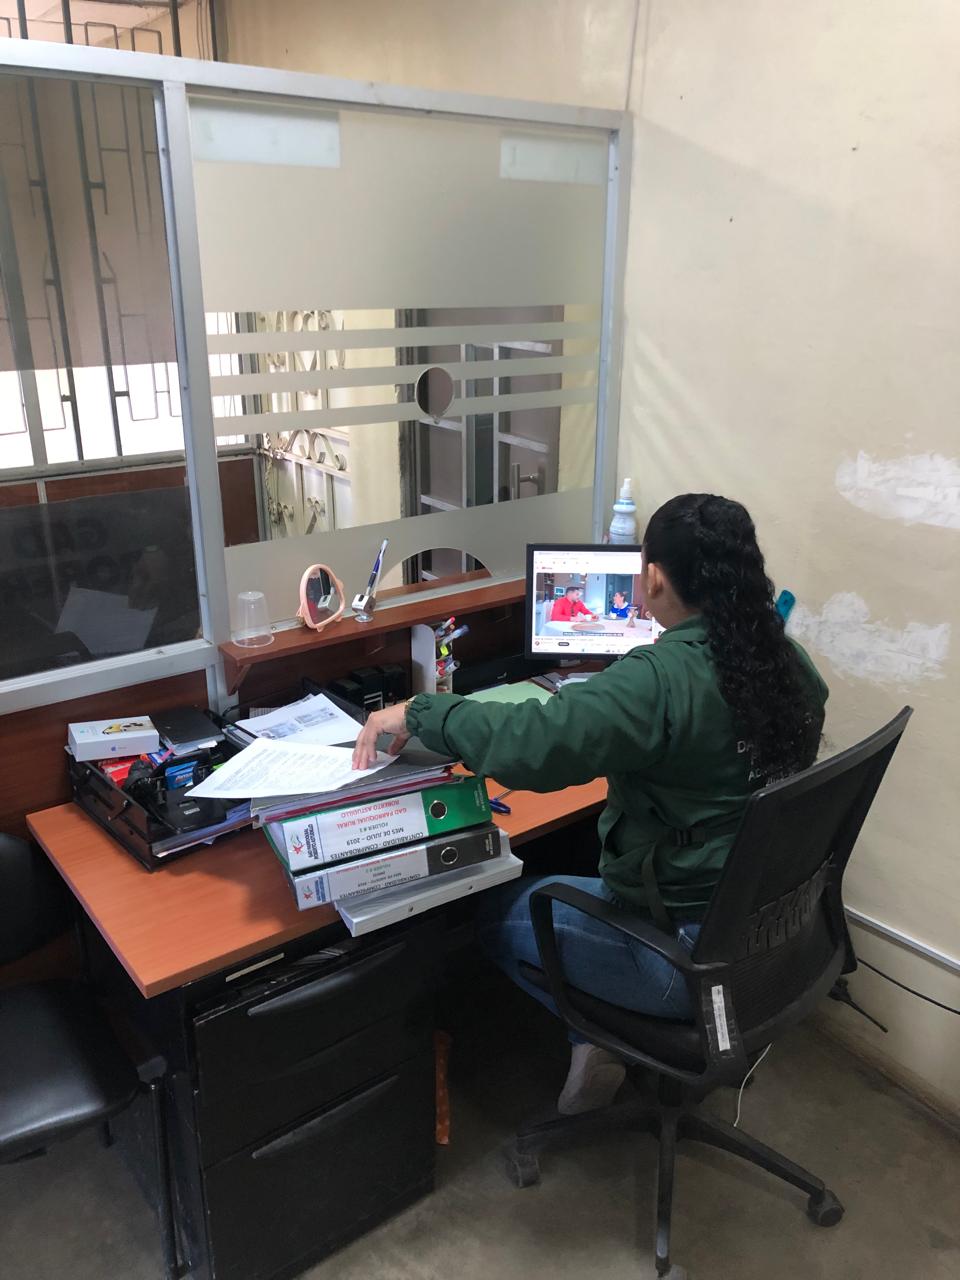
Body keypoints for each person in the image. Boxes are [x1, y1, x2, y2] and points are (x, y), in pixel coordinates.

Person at [354, 495, 828, 1115]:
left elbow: (532, 746)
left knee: (493, 913)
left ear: (652, 577)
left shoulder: (657, 679)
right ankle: (602, 1035)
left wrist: (420, 711)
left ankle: (597, 1039)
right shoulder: (785, 662)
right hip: (773, 936)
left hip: (680, 959)